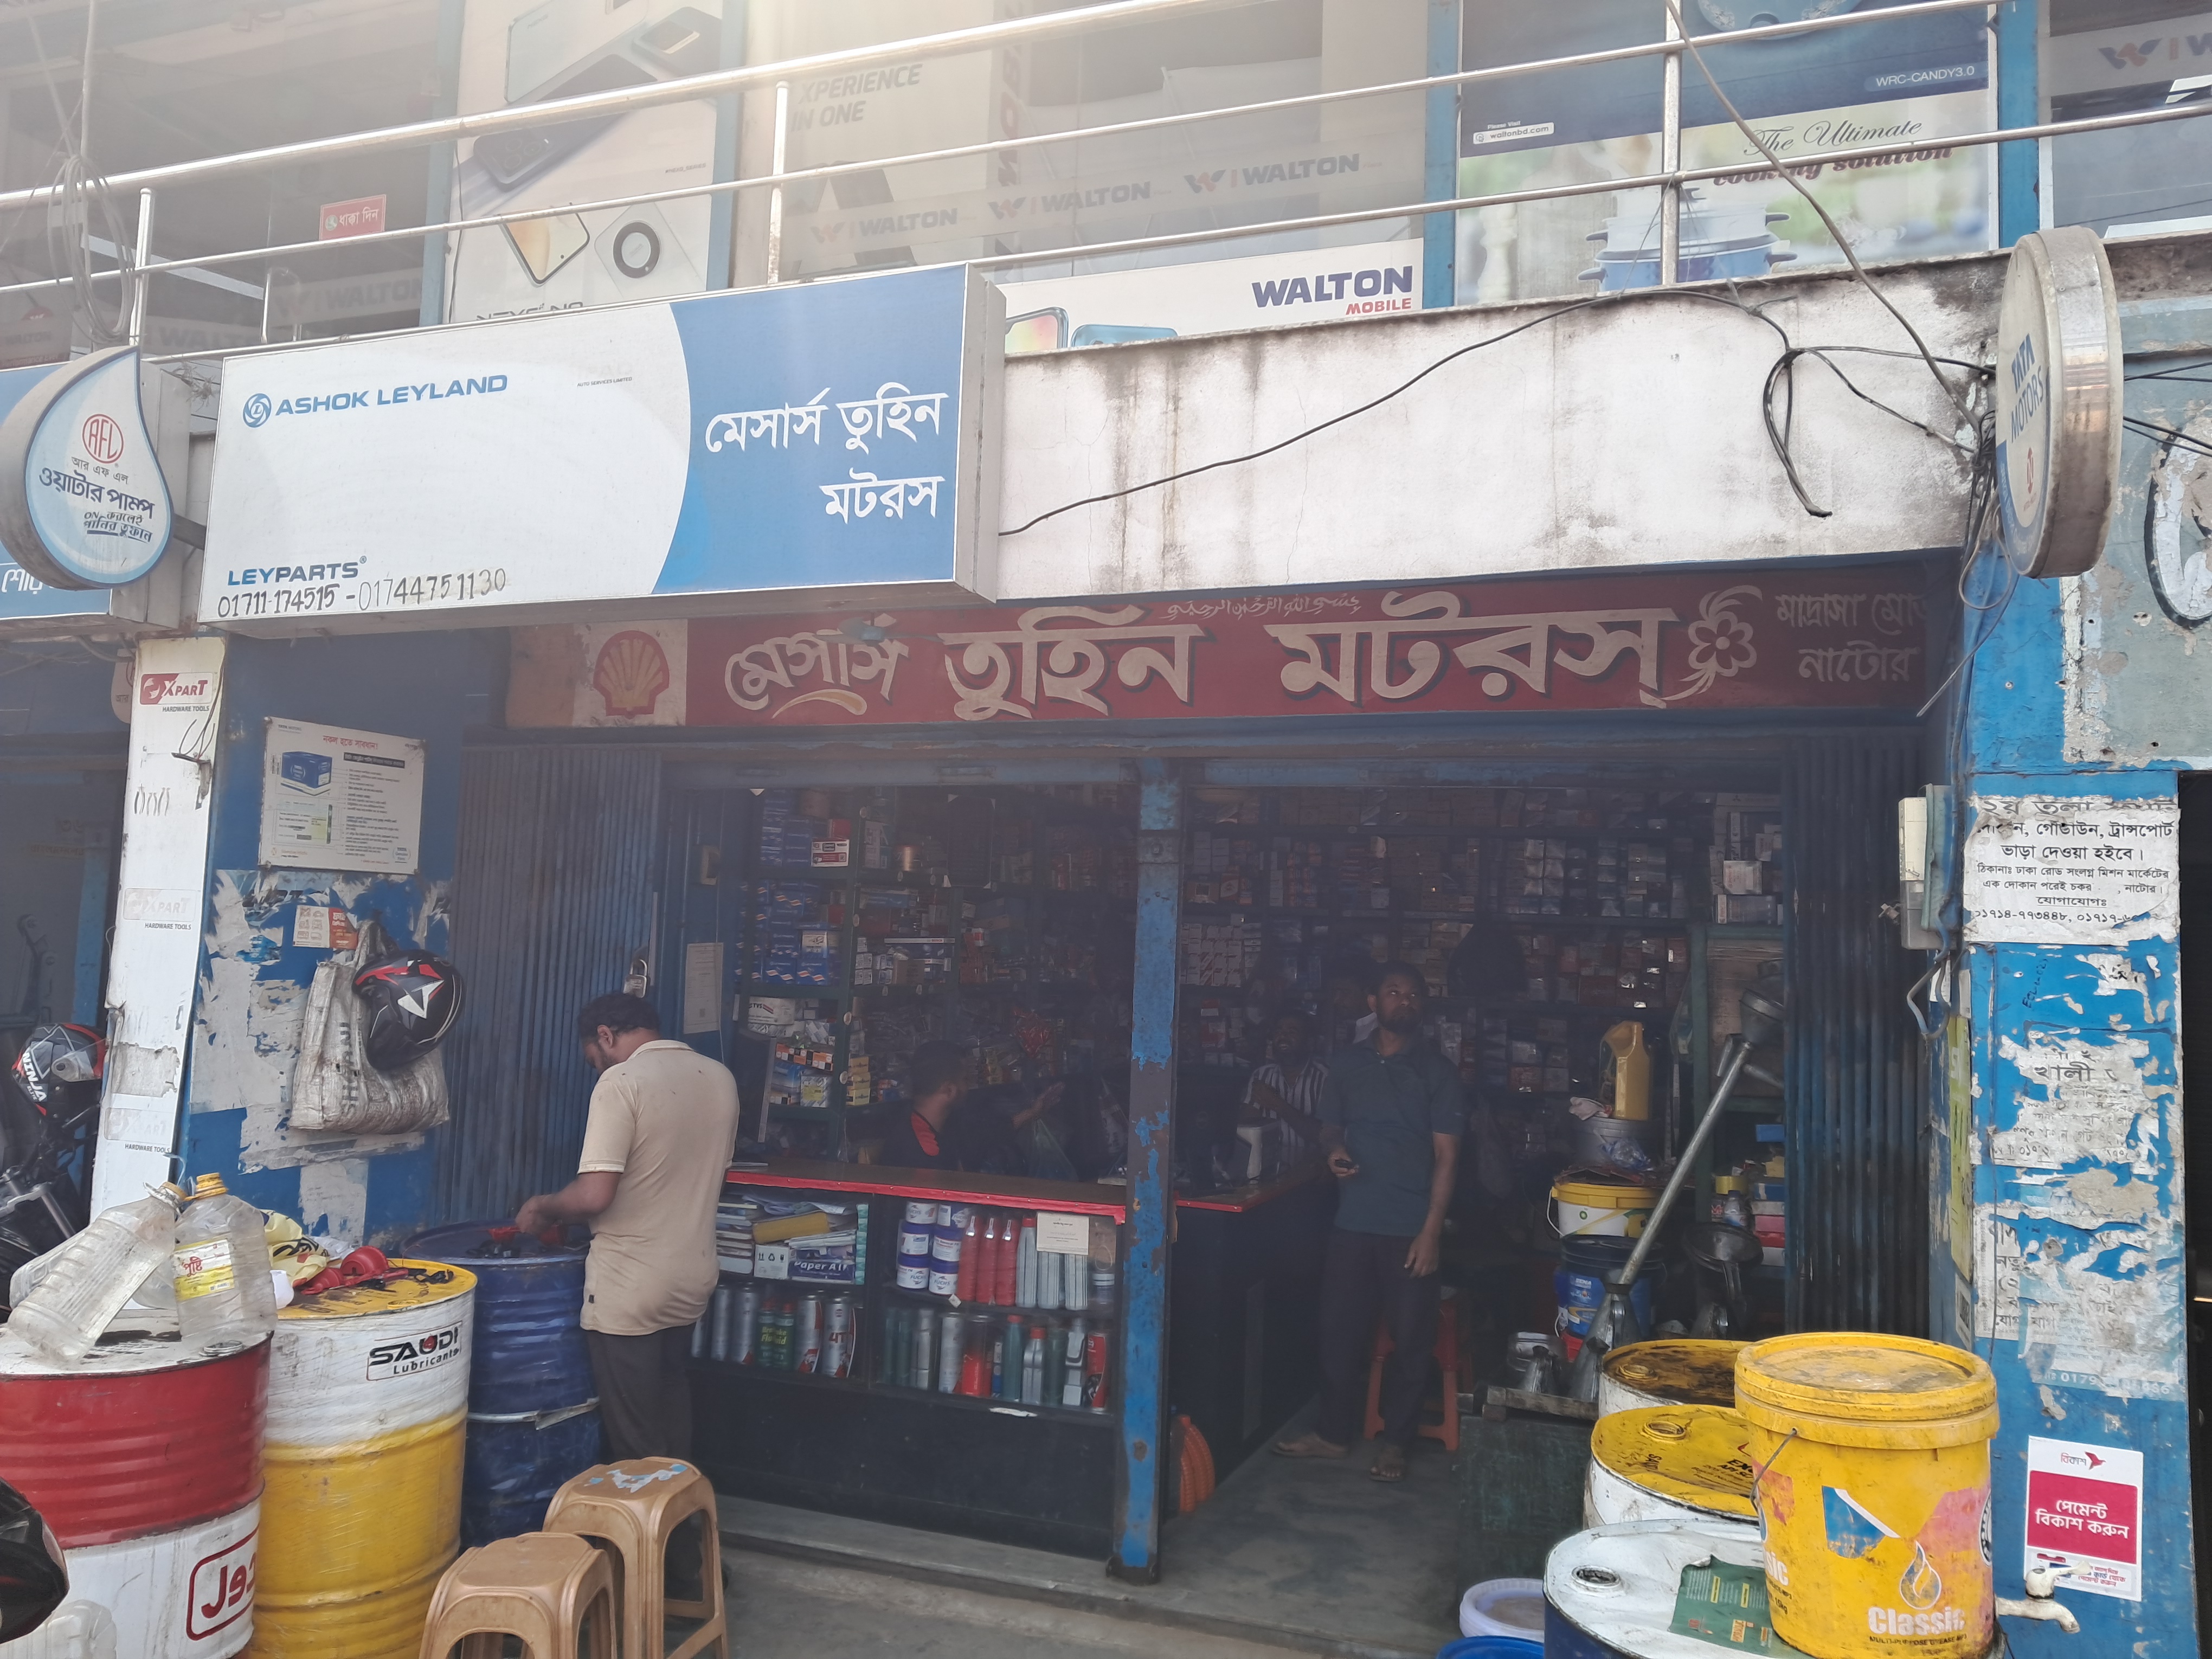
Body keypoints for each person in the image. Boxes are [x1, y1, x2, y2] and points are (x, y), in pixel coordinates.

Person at [516, 993, 738, 1463]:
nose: (597, 1069)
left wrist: (544, 1207)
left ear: (605, 1036)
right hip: (693, 1275)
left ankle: (649, 1514)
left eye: (593, 1060)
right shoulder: (718, 1077)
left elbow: (594, 1196)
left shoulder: (621, 1082)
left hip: (631, 1284)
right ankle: (682, 1507)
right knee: (670, 1399)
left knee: (636, 1441)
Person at [1272, 962, 1464, 1483]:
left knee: (1411, 1341)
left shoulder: (1437, 1072)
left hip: (1410, 1228)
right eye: (1393, 992)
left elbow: (1447, 1157)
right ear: (1374, 1003)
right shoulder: (1347, 1064)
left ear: (1422, 1006)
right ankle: (1333, 1435)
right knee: (1338, 1332)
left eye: (1413, 994)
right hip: (1353, 1221)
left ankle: (1396, 1444)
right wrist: (1334, 1150)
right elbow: (1329, 1128)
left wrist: (1431, 1232)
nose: (1404, 1001)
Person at [882, 1041, 1063, 1172]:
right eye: (965, 1079)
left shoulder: (948, 1124)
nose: (968, 1086)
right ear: (949, 1090)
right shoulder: (920, 1150)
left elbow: (989, 1134)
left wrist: (1032, 1113)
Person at [1243, 1009, 1328, 1160]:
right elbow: (1247, 1127)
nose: (1283, 1037)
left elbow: (1326, 1136)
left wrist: (1277, 1104)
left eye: (1292, 1032)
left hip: (1313, 1168)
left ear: (1309, 1042)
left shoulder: (1325, 1078)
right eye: (1278, 1032)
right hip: (1270, 1165)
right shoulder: (1261, 1075)